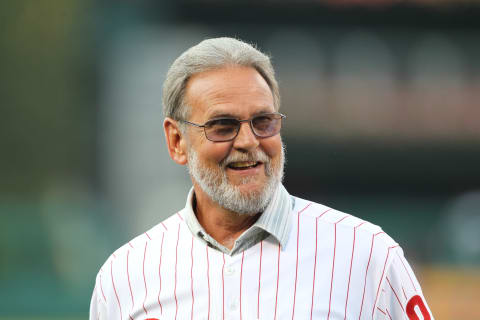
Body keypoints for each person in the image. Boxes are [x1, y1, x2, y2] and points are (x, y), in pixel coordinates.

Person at [89, 37, 433, 320]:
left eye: (263, 121)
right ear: (177, 141)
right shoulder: (124, 275)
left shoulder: (368, 253)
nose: (248, 142)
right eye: (222, 126)